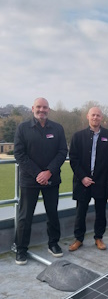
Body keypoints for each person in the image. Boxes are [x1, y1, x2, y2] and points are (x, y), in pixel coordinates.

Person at [13, 97, 68, 265]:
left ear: (49, 110)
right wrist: (38, 174)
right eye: (39, 107)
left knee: (52, 213)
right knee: (25, 216)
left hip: (52, 179)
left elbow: (62, 152)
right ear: (32, 108)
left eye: (45, 107)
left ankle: (53, 244)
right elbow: (19, 154)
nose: (42, 110)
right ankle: (21, 249)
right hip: (30, 180)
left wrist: (49, 172)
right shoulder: (23, 128)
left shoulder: (57, 128)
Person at [68, 107, 108, 251]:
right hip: (82, 181)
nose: (95, 117)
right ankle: (78, 239)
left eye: (98, 115)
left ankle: (99, 238)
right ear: (88, 116)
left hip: (101, 181)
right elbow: (73, 159)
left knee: (101, 212)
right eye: (93, 115)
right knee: (80, 212)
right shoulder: (78, 136)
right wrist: (82, 177)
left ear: (102, 118)